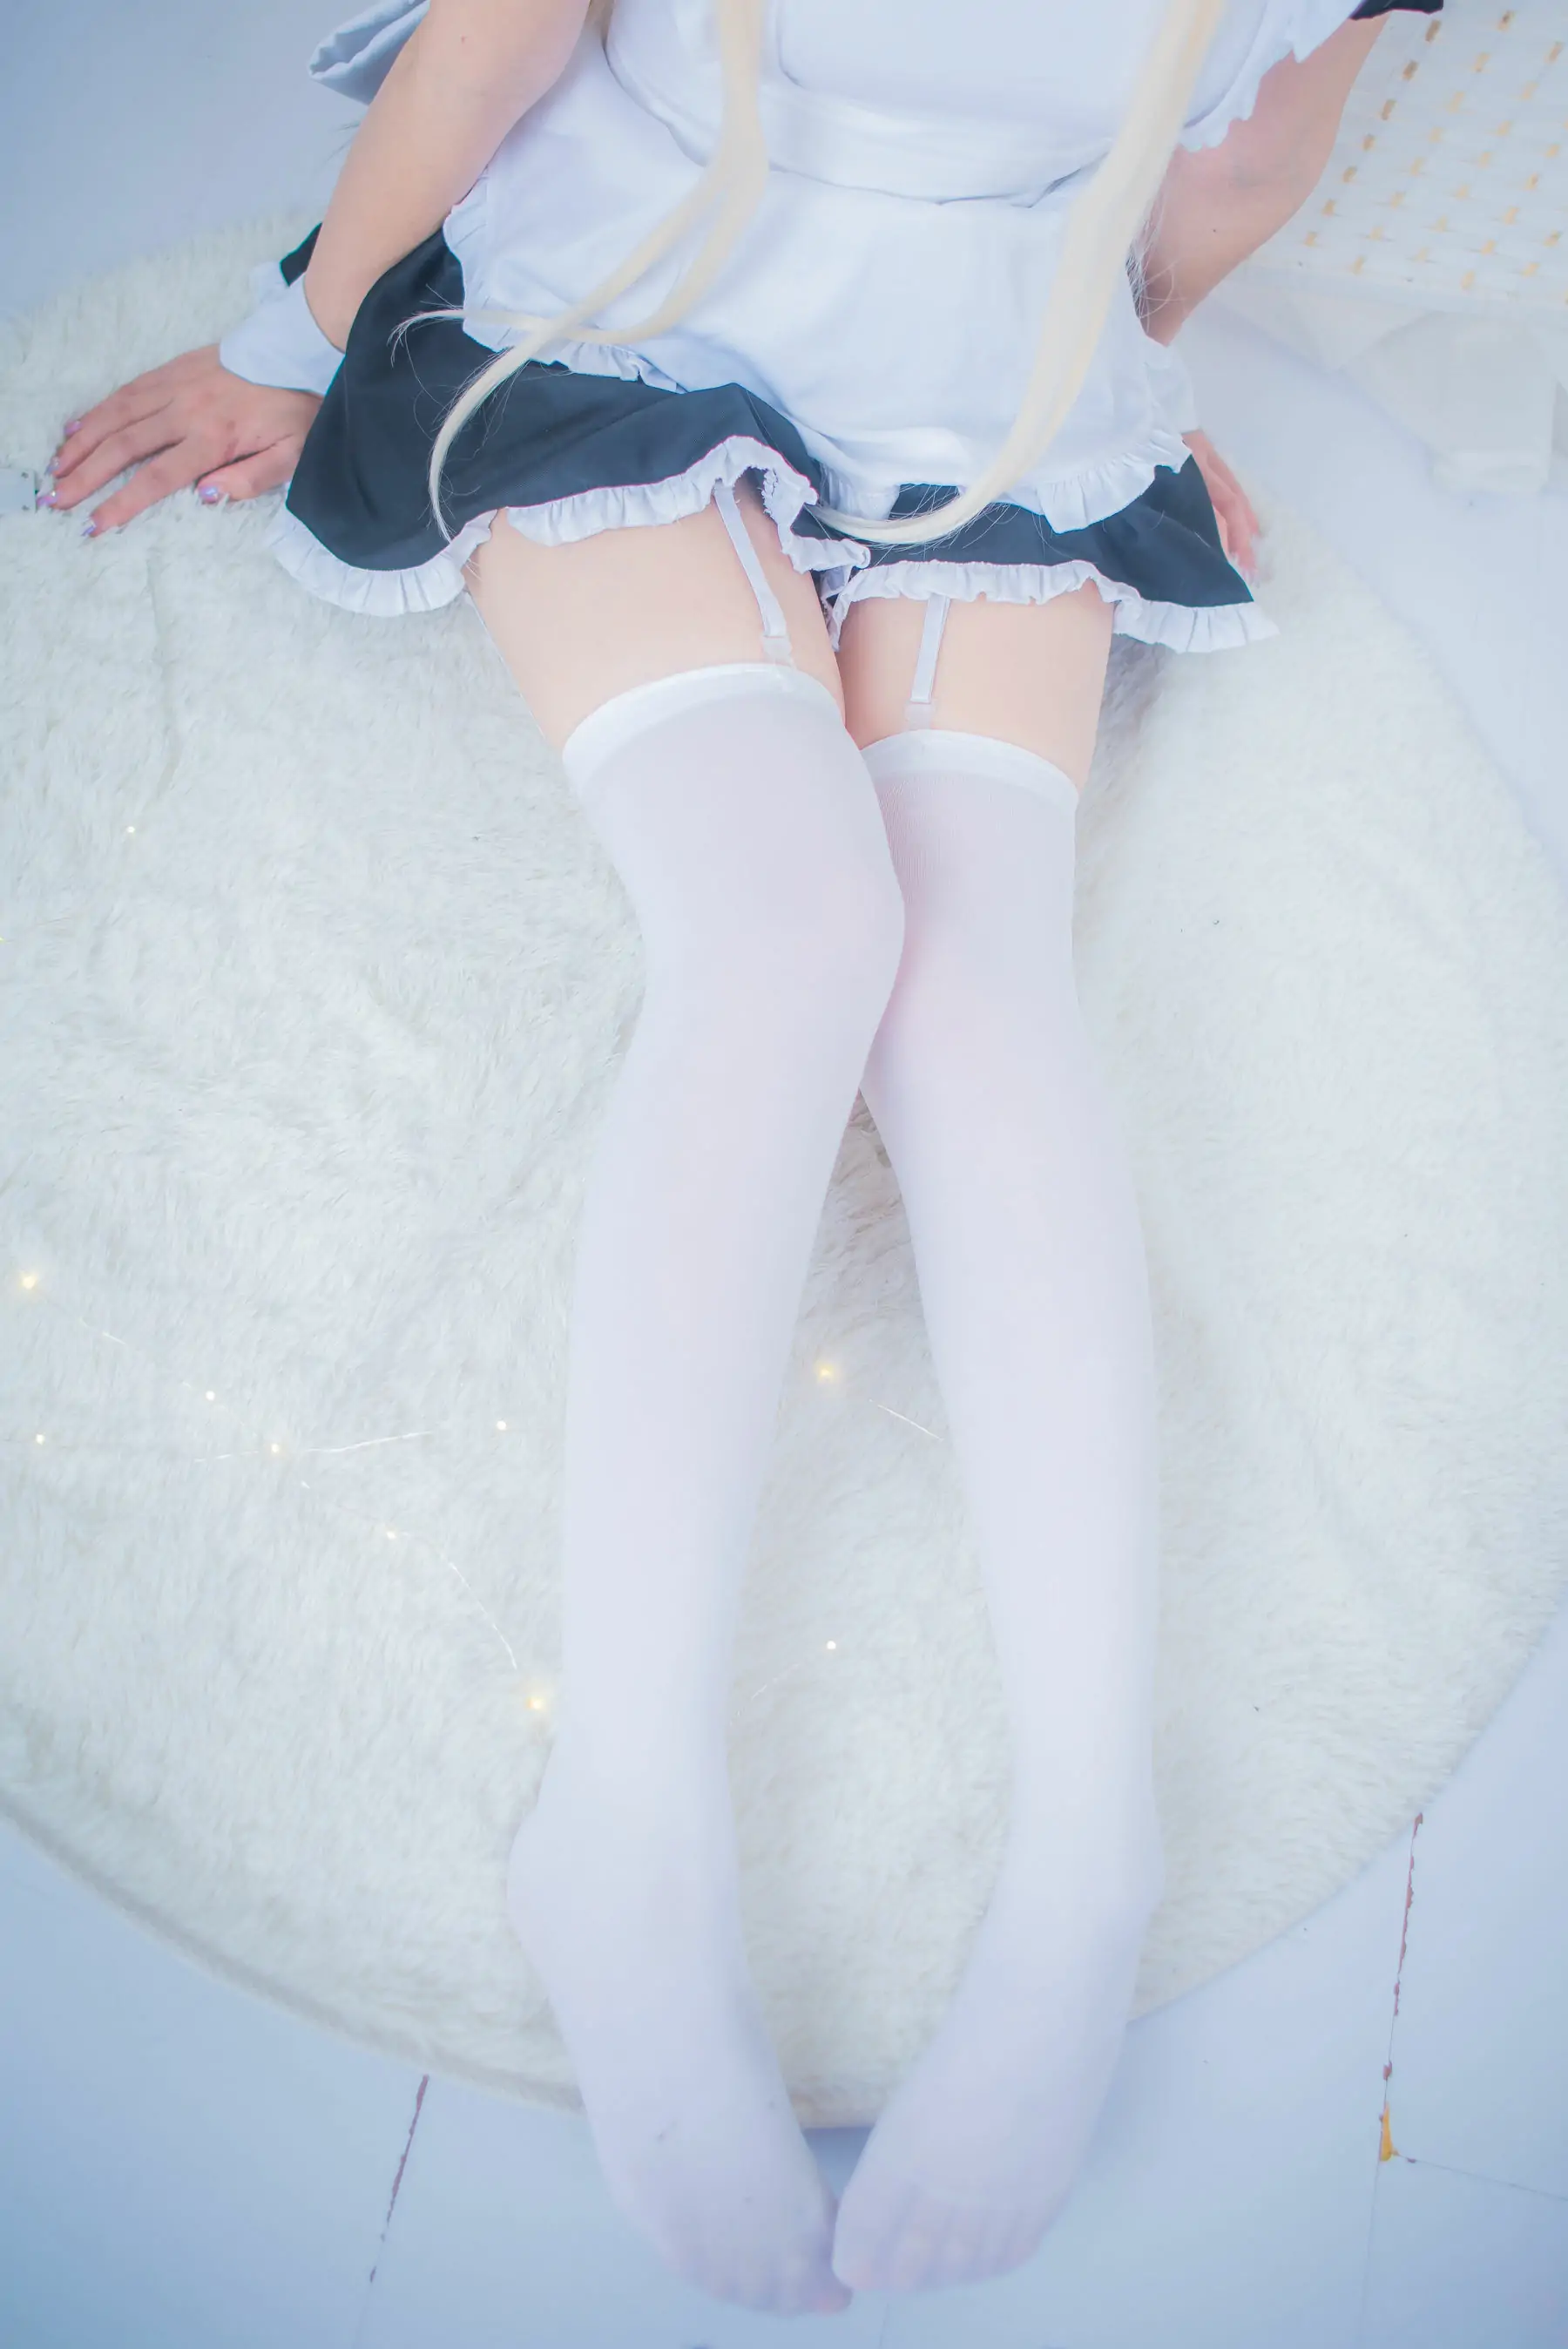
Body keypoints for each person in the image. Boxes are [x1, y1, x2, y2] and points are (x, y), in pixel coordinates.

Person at [44, 0, 1440, 2316]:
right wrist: (296, 338)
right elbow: (506, 34)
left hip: (997, 347)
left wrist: (1125, 367)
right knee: (788, 929)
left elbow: (1237, 163)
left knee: (976, 989)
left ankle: (1088, 1854)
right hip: (640, 272)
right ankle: (625, 1819)